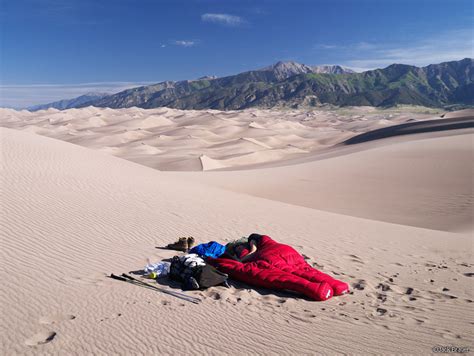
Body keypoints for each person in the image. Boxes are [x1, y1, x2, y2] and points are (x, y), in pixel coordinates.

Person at [210, 233, 349, 301]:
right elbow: (256, 237)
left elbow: (238, 267)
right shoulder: (261, 239)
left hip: (269, 257)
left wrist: (216, 261)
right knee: (306, 269)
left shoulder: (243, 250)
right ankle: (338, 285)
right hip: (286, 250)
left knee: (286, 276)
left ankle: (317, 290)